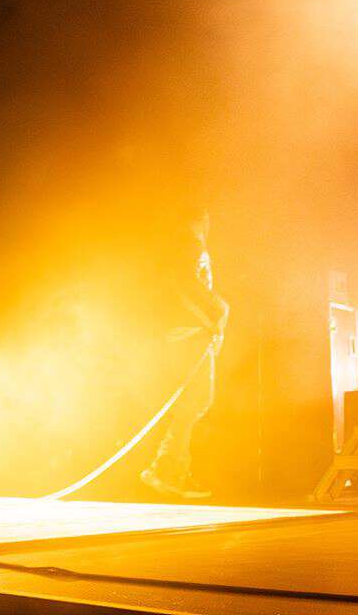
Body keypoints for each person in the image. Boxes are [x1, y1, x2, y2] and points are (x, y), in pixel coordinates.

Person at [140, 203, 228, 500]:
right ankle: (168, 470)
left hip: (188, 330)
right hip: (191, 332)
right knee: (196, 400)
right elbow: (185, 285)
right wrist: (216, 311)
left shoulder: (182, 245)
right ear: (201, 219)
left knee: (193, 402)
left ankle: (170, 468)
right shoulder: (190, 245)